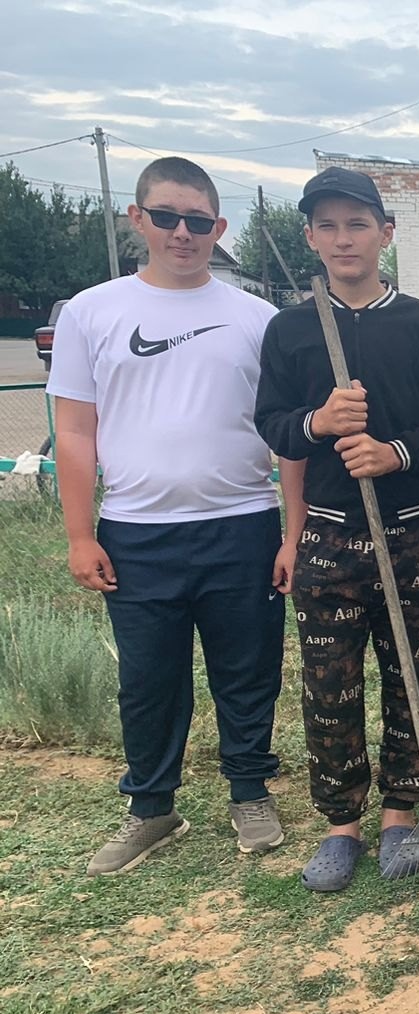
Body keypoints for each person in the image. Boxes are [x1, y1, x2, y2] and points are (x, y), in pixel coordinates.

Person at [51, 156, 293, 877]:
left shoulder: (259, 319)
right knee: (150, 680)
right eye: (166, 217)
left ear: (219, 229)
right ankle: (152, 808)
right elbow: (74, 431)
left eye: (197, 221)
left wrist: (292, 529)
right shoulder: (91, 313)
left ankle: (250, 791)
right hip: (135, 534)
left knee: (247, 672)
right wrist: (78, 533)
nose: (181, 233)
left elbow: (286, 435)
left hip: (243, 524)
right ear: (138, 219)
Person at [254, 167, 419, 891]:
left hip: (414, 529)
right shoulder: (290, 330)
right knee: (330, 683)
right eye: (328, 225)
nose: (343, 238)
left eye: (358, 223)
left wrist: (394, 453)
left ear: (386, 232)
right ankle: (341, 825)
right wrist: (318, 422)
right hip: (327, 534)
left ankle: (401, 813)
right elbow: (273, 423)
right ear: (311, 237)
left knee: (416, 673)